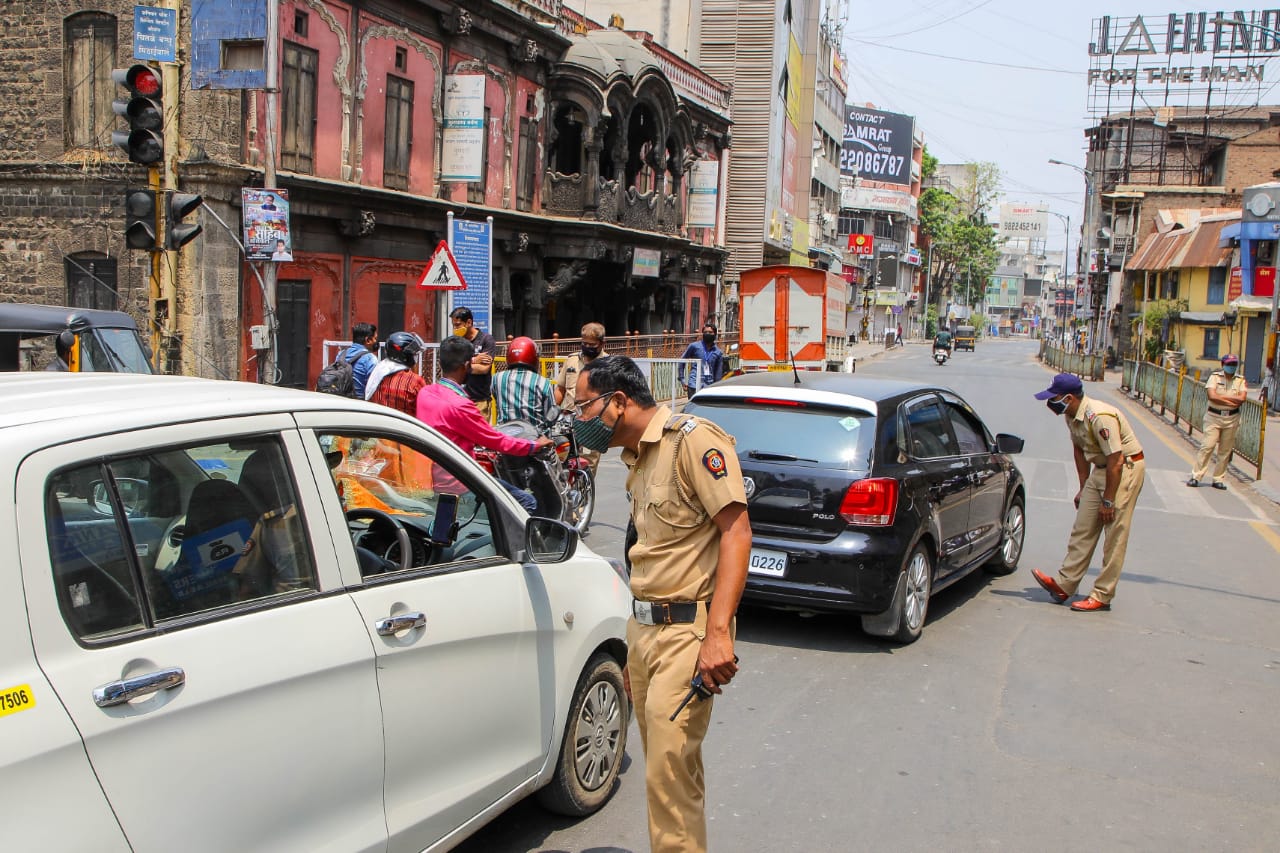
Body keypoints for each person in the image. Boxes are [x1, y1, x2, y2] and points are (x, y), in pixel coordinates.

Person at [573, 355, 749, 853]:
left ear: (619, 402)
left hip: (687, 634)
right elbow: (650, 557)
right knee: (664, 772)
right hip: (647, 632)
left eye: (586, 406)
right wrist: (635, 647)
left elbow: (737, 534)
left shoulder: (692, 440)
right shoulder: (638, 457)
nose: (581, 420)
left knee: (670, 779)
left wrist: (718, 635)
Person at [1031, 373, 1145, 613]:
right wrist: (1083, 488)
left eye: (1055, 398)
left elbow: (1116, 460)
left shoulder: (1100, 418)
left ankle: (1102, 595)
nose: (1050, 402)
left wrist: (1108, 500)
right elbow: (1079, 451)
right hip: (1100, 469)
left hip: (1124, 469)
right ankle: (1065, 583)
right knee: (1083, 527)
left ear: (1070, 398)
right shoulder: (1071, 415)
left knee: (1114, 533)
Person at [417, 336, 551, 513]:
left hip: (429, 477)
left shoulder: (425, 393)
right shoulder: (461, 405)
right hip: (460, 482)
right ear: (466, 365)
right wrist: (533, 445)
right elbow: (496, 440)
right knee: (527, 502)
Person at [1188, 353, 1248, 489]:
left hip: (1232, 418)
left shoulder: (1240, 380)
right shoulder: (1214, 377)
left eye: (1234, 364)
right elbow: (1212, 396)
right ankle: (1196, 476)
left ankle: (1218, 479)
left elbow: (1242, 398)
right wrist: (1231, 400)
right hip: (1214, 417)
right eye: (1229, 364)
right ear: (1223, 365)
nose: (1231, 367)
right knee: (1207, 447)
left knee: (1225, 451)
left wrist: (1224, 398)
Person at [555, 322, 608, 474]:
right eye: (584, 343)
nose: (587, 347)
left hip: (593, 420)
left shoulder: (609, 364)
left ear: (602, 343)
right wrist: (553, 410)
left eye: (591, 344)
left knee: (588, 465)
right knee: (563, 460)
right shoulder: (571, 360)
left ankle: (585, 493)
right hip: (568, 418)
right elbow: (561, 388)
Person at [492, 336, 559, 433]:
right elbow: (550, 412)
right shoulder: (542, 382)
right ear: (534, 357)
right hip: (534, 437)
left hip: (504, 436)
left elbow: (495, 396)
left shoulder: (497, 378)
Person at [449, 306, 496, 418]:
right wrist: (474, 360)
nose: (455, 329)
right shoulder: (455, 341)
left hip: (479, 400)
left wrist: (462, 364)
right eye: (454, 325)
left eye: (458, 325)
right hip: (458, 399)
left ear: (469, 322)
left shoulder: (486, 340)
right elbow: (452, 366)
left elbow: (483, 369)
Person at [366, 332, 426, 416]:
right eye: (414, 354)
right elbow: (425, 409)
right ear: (406, 355)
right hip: (405, 427)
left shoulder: (377, 374)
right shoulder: (415, 381)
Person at [680, 322, 725, 397]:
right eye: (705, 332)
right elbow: (682, 361)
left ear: (715, 334)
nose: (707, 334)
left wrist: (717, 387)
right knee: (693, 408)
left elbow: (718, 373)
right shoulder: (694, 346)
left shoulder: (718, 352)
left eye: (710, 332)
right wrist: (682, 380)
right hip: (694, 385)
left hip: (709, 386)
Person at [342, 322, 379, 400]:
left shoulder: (341, 354)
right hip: (360, 404)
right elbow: (374, 387)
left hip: (341, 401)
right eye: (375, 338)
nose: (376, 341)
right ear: (368, 340)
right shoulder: (370, 359)